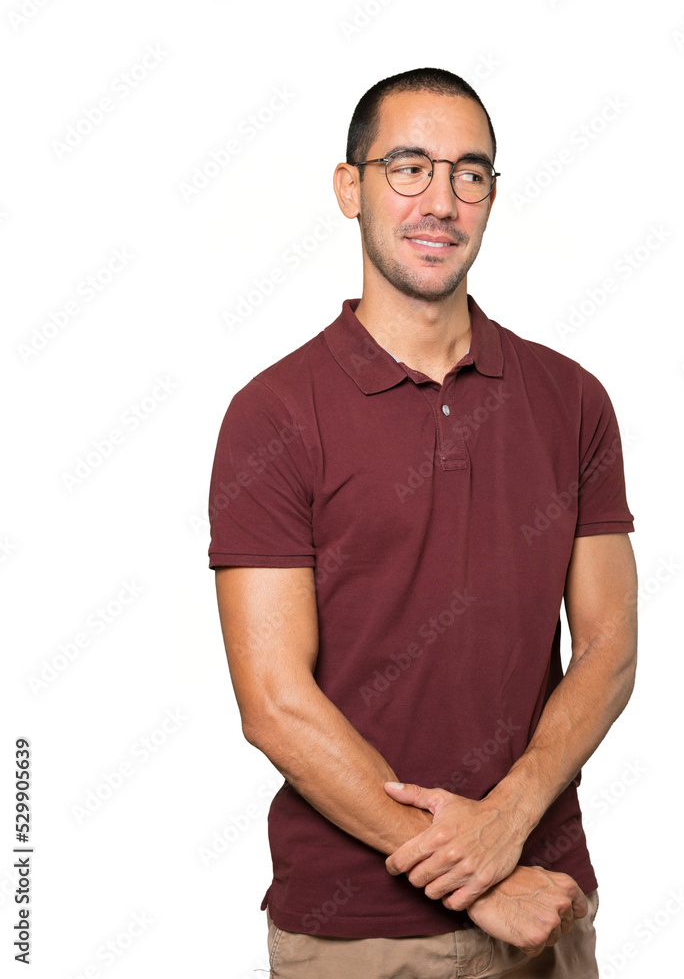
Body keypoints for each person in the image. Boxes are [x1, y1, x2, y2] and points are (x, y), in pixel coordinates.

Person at [208, 67, 638, 979]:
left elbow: (610, 649)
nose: (440, 200)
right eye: (408, 167)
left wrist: (508, 823)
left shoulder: (571, 400)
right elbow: (275, 704)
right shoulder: (275, 415)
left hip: (550, 903)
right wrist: (479, 878)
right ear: (349, 187)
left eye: (469, 173)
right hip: (356, 929)